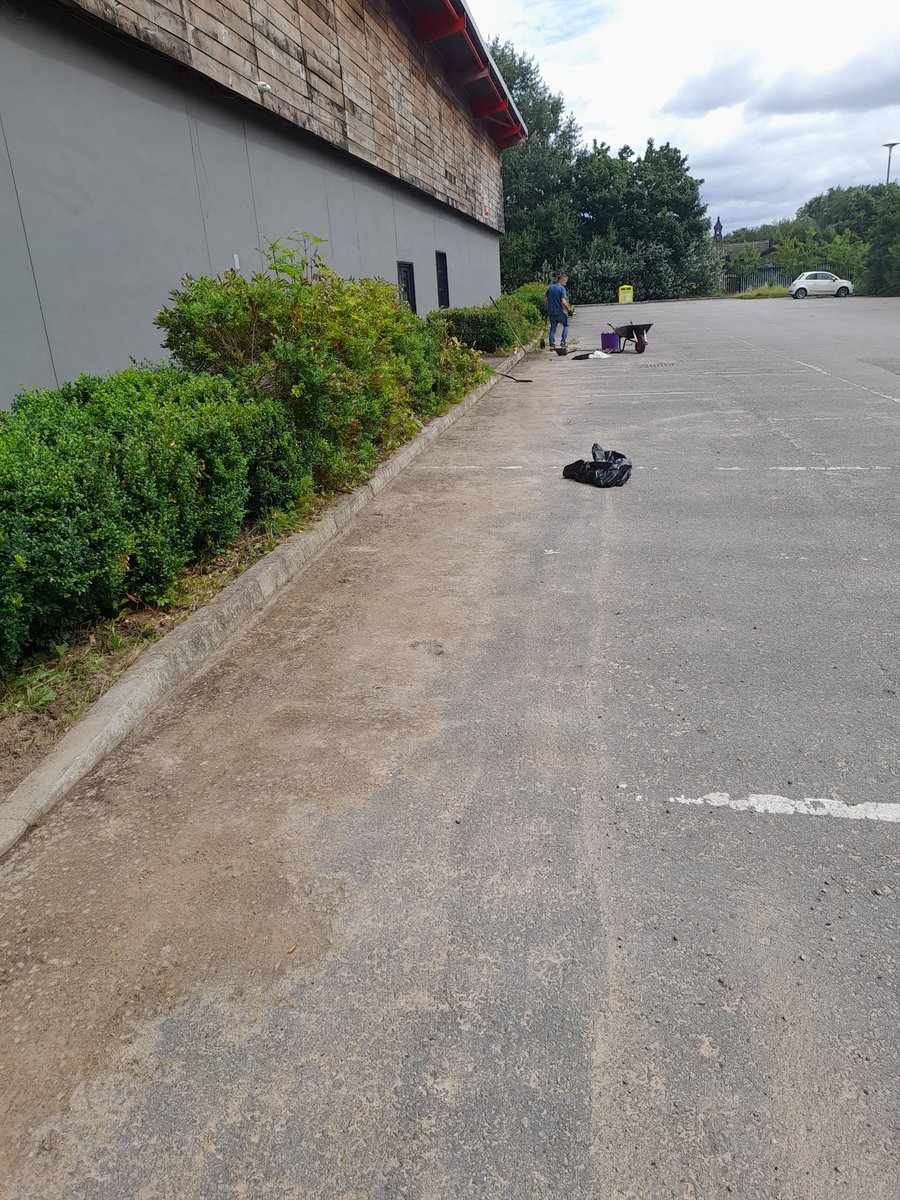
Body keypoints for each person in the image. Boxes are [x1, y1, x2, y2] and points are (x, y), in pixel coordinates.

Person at [544, 275, 572, 350]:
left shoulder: (550, 288)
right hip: (560, 312)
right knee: (566, 325)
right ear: (562, 280)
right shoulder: (561, 289)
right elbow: (563, 301)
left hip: (551, 313)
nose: (565, 284)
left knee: (552, 329)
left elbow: (546, 300)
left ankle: (552, 346)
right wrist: (569, 310)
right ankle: (563, 341)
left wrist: (546, 309)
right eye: (565, 282)